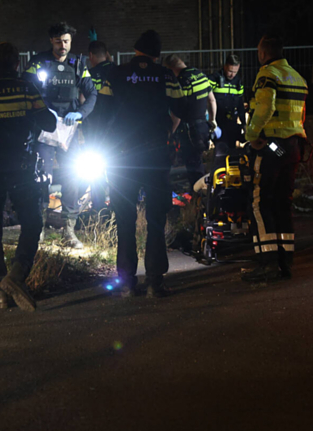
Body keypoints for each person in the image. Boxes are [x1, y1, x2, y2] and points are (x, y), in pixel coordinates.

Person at [0, 42, 57, 311]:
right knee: (32, 221)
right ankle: (16, 275)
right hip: (21, 168)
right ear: (17, 64)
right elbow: (49, 123)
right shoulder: (27, 89)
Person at [97, 30, 183, 298]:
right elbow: (180, 108)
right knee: (156, 217)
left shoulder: (115, 74)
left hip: (122, 157)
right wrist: (168, 131)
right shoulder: (166, 75)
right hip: (156, 155)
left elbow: (99, 114)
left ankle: (126, 282)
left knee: (125, 219)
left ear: (135, 51)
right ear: (157, 55)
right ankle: (155, 282)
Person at [24, 22, 97, 248]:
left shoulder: (78, 64)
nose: (62, 46)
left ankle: (69, 230)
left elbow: (92, 92)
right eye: (58, 41)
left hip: (70, 131)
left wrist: (80, 114)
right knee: (41, 178)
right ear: (51, 41)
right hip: (45, 130)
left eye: (66, 41)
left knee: (72, 176)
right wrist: (40, 112)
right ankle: (38, 231)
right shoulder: (38, 62)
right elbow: (25, 88)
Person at [242, 33, 308, 284]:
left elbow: (265, 107)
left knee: (260, 202)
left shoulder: (268, 74)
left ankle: (267, 264)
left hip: (271, 146)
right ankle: (284, 263)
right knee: (283, 203)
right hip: (292, 147)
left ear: (262, 53)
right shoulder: (298, 77)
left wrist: (252, 134)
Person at [164, 54, 217, 189]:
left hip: (189, 131)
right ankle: (202, 196)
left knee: (194, 167)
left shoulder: (180, 82)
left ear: (171, 69)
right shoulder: (200, 75)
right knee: (199, 162)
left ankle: (200, 199)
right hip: (203, 128)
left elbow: (177, 115)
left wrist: (169, 134)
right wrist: (212, 120)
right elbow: (212, 100)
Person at [86, 40, 115, 210]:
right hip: (117, 131)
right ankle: (116, 207)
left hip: (94, 131)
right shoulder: (118, 72)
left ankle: (98, 208)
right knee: (117, 170)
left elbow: (82, 100)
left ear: (91, 56)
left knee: (95, 172)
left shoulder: (89, 74)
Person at [209, 53, 246, 155]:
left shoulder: (238, 82)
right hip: (218, 124)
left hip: (232, 123)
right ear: (225, 66)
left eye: (235, 72)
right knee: (220, 153)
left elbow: (240, 104)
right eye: (230, 71)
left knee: (232, 153)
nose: (232, 75)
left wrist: (244, 124)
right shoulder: (214, 79)